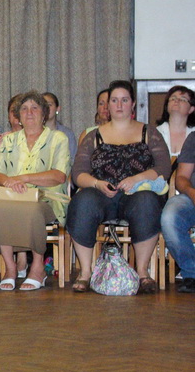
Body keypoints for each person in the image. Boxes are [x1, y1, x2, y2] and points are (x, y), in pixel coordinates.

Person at [67, 80, 170, 294]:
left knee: (147, 202)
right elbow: (78, 174)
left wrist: (137, 178)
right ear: (108, 105)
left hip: (137, 193)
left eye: (124, 100)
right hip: (102, 194)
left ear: (133, 104)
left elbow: (163, 167)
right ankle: (85, 272)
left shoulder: (149, 133)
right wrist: (97, 183)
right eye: (114, 100)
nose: (119, 105)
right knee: (82, 201)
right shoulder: (93, 136)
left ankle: (142, 272)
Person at [0, 92, 70, 291]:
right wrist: (9, 182)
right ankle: (10, 268)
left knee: (32, 209)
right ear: (18, 116)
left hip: (48, 199)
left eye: (35, 108)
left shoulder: (57, 138)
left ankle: (37, 268)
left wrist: (24, 178)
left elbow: (59, 176)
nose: (29, 112)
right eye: (24, 109)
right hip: (14, 197)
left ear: (44, 114)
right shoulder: (8, 140)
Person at [160, 132, 195, 293]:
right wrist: (192, 193)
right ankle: (191, 273)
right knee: (170, 217)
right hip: (191, 197)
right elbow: (181, 177)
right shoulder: (193, 138)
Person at [155, 85, 195, 160]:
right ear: (167, 106)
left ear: (191, 109)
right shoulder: (154, 133)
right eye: (173, 99)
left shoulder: (194, 133)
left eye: (183, 99)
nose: (176, 101)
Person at [42, 92, 78, 165]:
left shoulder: (67, 133)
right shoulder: (33, 133)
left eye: (49, 105)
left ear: (57, 109)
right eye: (43, 105)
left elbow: (73, 160)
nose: (46, 108)